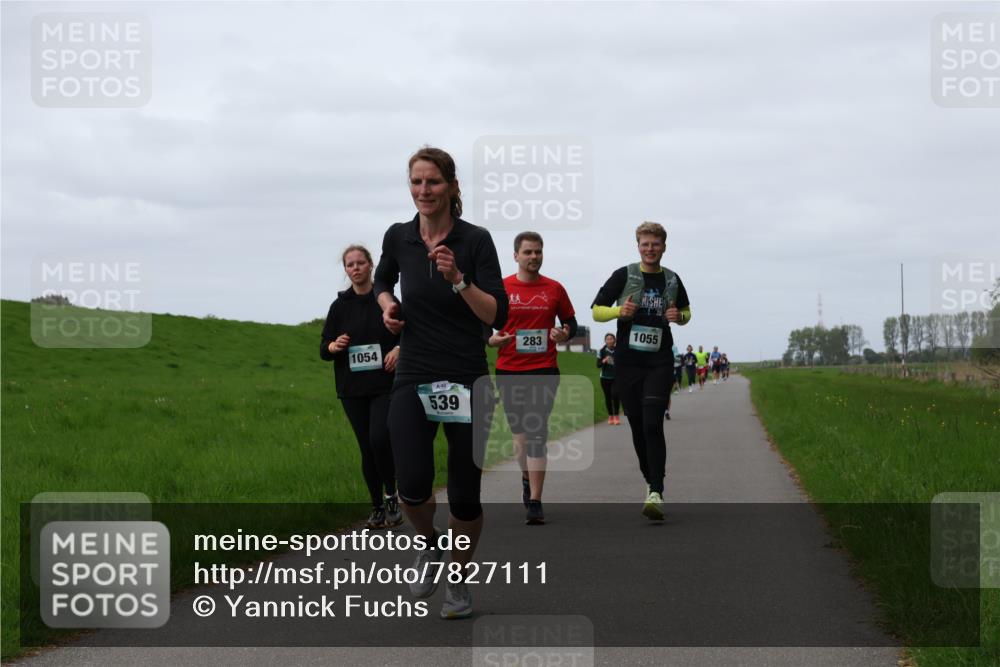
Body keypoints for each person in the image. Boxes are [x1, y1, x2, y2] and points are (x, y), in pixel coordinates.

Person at [373, 146, 508, 619]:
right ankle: (430, 544)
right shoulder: (399, 236)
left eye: (432, 181)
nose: (423, 190)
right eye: (416, 182)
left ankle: (459, 580)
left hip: (467, 375)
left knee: (465, 495)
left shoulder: (476, 240)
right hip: (415, 372)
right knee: (411, 484)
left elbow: (495, 314)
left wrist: (458, 279)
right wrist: (388, 307)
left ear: (451, 186)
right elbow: (382, 282)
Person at [591, 221, 691, 521]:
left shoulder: (672, 278)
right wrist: (618, 311)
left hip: (659, 360)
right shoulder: (623, 275)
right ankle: (650, 479)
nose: (650, 249)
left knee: (652, 423)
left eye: (655, 244)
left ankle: (657, 490)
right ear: (638, 247)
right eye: (645, 244)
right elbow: (596, 310)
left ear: (664, 247)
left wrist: (678, 316)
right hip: (628, 362)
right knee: (636, 424)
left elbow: (686, 312)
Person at [489, 231, 577, 526]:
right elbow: (483, 323)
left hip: (543, 369)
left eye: (538, 251)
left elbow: (571, 322)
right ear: (516, 255)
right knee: (520, 438)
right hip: (509, 369)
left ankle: (536, 501)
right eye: (528, 252)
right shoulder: (501, 288)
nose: (534, 257)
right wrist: (491, 339)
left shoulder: (554, 288)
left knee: (537, 432)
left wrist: (564, 333)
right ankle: (527, 478)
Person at [320, 245, 402, 530]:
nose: (355, 268)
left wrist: (399, 349)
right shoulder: (339, 306)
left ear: (370, 265)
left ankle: (391, 496)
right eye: (350, 264)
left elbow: (409, 333)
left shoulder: (387, 301)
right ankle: (377, 507)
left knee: (379, 439)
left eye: (360, 263)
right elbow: (324, 348)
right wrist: (334, 346)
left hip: (384, 385)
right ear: (346, 270)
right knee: (366, 447)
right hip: (352, 388)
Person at [597, 333, 621, 425]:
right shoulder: (601, 351)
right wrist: (604, 360)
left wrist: (614, 361)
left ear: (614, 340)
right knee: (608, 397)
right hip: (604, 377)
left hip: (616, 377)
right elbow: (598, 365)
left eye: (611, 339)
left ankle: (616, 416)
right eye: (607, 339)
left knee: (615, 395)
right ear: (605, 341)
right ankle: (610, 416)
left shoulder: (618, 350)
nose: (610, 340)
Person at [665, 344, 681, 420]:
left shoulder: (674, 347)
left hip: (670, 374)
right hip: (658, 375)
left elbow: (678, 362)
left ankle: (666, 412)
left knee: (667, 394)